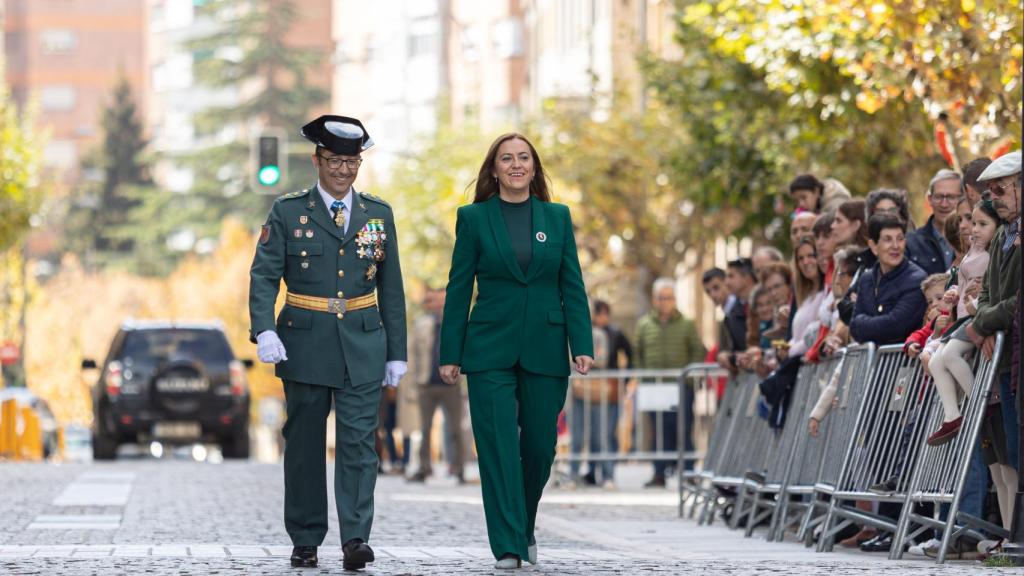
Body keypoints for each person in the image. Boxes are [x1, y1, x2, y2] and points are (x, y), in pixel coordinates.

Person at [248, 115, 407, 571]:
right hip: (304, 343)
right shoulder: (288, 211)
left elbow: (391, 289)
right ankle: (305, 536)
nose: (343, 169)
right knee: (304, 444)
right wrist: (266, 329)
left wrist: (397, 352)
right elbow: (263, 276)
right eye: (335, 160)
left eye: (351, 161)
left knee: (359, 444)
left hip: (363, 343)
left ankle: (356, 537)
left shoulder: (378, 215)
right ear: (317, 160)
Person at [438, 132, 594, 569]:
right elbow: (458, 287)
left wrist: (582, 343)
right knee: (498, 446)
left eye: (523, 157)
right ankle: (508, 544)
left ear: (534, 167)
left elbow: (572, 284)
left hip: (546, 345)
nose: (515, 164)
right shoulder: (473, 218)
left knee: (541, 445)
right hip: (488, 347)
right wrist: (451, 351)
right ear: (494, 169)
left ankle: (522, 525)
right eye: (506, 158)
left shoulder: (557, 217)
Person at [966, 150, 1021, 551]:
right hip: (1003, 358)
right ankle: (1013, 536)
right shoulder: (1003, 234)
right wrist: (983, 321)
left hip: (1015, 351)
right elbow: (987, 292)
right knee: (1007, 450)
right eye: (989, 191)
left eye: (1000, 189)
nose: (994, 198)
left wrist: (985, 322)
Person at [926, 201, 1001, 445]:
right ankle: (952, 416)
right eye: (972, 223)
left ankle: (981, 403)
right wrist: (954, 292)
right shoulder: (971, 253)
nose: (974, 229)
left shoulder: (992, 254)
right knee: (937, 361)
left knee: (950, 355)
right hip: (964, 317)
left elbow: (990, 288)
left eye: (982, 224)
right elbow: (965, 280)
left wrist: (976, 303)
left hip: (975, 318)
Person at [636, 277, 707, 488]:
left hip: (680, 387)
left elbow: (697, 350)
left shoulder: (687, 324)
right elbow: (638, 353)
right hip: (654, 387)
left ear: (674, 300)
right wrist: (643, 379)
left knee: (683, 429)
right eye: (660, 298)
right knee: (657, 431)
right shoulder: (643, 324)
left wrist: (690, 380)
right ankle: (659, 473)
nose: (664, 302)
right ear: (654, 300)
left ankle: (688, 472)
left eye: (668, 298)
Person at [408, 287, 465, 484]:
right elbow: (413, 354)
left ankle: (459, 468)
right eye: (434, 301)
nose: (439, 305)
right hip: (427, 383)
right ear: (428, 303)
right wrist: (414, 381)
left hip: (453, 386)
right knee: (424, 428)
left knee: (456, 429)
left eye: (442, 300)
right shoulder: (421, 324)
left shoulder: (459, 323)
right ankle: (424, 468)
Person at [905, 169, 959, 275]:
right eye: (938, 197)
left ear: (962, 199)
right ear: (930, 199)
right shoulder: (910, 243)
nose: (944, 204)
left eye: (951, 197)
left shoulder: (972, 242)